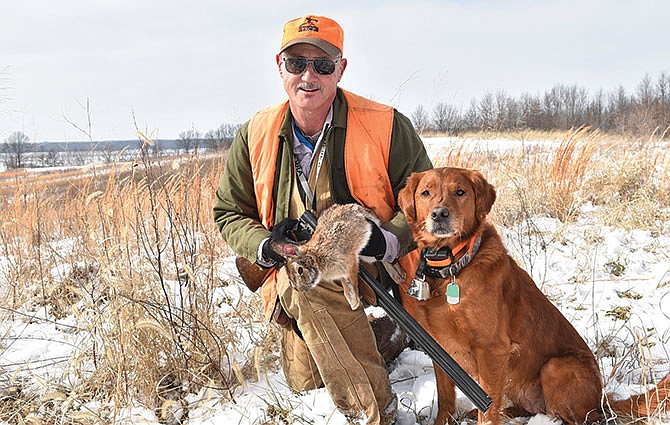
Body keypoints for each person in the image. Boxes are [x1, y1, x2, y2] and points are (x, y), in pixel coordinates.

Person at [213, 14, 432, 424]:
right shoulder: (254, 133)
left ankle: (375, 411)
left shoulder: (386, 125)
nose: (308, 76)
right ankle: (383, 338)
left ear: (341, 69)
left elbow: (428, 201)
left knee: (306, 283)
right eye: (297, 63)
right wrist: (265, 245)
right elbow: (228, 211)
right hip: (296, 266)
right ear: (280, 66)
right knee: (305, 379)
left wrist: (390, 240)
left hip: (374, 267)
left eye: (323, 65)